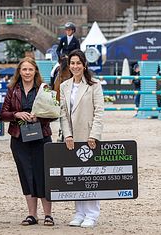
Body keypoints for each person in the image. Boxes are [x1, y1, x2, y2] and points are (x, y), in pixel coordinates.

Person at [0, 57, 55, 227]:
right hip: (19, 137)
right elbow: (3, 114)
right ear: (19, 72)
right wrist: (16, 115)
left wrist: (39, 116)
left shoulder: (44, 89)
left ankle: (48, 215)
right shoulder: (12, 90)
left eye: (30, 69)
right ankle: (32, 215)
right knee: (26, 175)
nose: (27, 73)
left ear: (35, 71)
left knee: (43, 175)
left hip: (41, 137)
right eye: (24, 69)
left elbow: (53, 113)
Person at [59, 49, 104, 228]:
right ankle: (79, 212)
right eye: (72, 63)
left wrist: (94, 135)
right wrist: (67, 134)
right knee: (76, 176)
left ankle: (92, 213)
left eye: (78, 63)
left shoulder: (95, 85)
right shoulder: (64, 86)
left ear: (84, 64)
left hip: (88, 136)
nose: (75, 66)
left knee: (90, 176)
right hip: (72, 138)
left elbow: (100, 112)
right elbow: (63, 113)